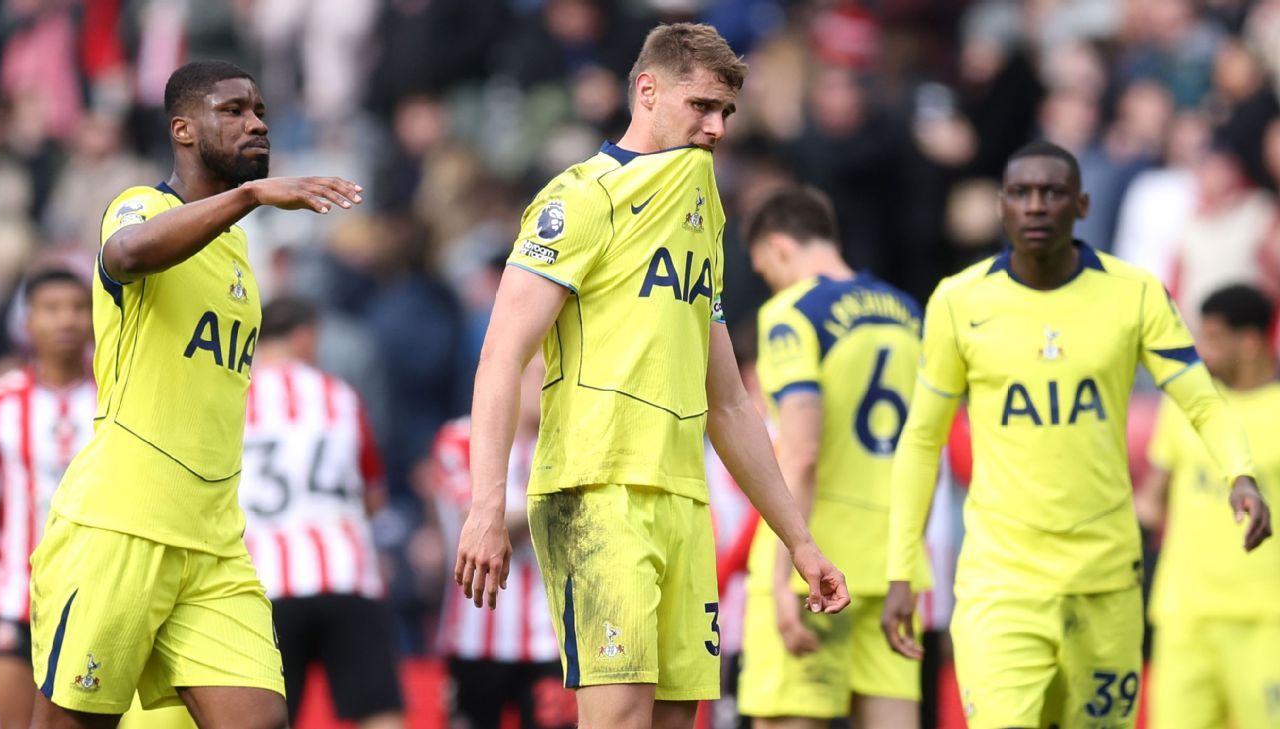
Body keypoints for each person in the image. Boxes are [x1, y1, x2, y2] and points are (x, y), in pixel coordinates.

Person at [454, 22, 849, 729]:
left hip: (684, 500)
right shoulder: (581, 198)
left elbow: (728, 402)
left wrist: (799, 539)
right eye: (701, 105)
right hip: (596, 491)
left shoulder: (702, 211)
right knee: (620, 720)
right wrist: (487, 506)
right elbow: (500, 356)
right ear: (647, 91)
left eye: (726, 111)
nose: (717, 127)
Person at [881, 139, 1272, 729]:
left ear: (1082, 204)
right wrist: (901, 570)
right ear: (1002, 205)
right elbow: (920, 441)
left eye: (1053, 192)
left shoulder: (1134, 292)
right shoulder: (959, 302)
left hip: (1105, 581)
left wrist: (1238, 472)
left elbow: (1202, 400)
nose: (1036, 205)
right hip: (1002, 584)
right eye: (1021, 193)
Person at [26, 60, 363, 729]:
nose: (256, 123)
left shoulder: (236, 253)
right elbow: (127, 254)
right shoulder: (142, 205)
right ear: (182, 129)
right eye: (233, 110)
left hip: (213, 539)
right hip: (125, 522)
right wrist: (252, 195)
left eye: (259, 110)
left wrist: (245, 206)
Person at [737, 185, 929, 729]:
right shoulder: (908, 313)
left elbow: (801, 452)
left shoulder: (792, 313)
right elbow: (927, 446)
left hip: (818, 568)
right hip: (893, 566)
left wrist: (782, 577)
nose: (771, 283)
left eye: (766, 271)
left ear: (778, 248)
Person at [238, 297, 404, 729]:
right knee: (378, 712)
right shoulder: (339, 395)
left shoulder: (232, 397)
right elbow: (373, 496)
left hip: (262, 580)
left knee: (266, 718)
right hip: (344, 571)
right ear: (304, 336)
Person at [1136, 284, 1280, 729]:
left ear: (1250, 341)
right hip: (1184, 615)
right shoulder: (1189, 404)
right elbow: (1152, 499)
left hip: (1264, 619)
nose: (1202, 349)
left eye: (1214, 338)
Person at [432, 354, 577, 729]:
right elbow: (475, 522)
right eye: (544, 374)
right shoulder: (460, 438)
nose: (554, 385)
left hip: (550, 638)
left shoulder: (571, 442)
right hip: (474, 636)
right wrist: (559, 499)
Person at [0, 269, 96, 729]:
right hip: (16, 597)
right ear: (27, 322)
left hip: (99, 594)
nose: (66, 320)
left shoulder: (118, 397)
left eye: (78, 307)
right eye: (51, 309)